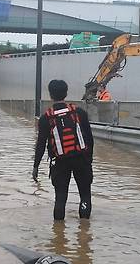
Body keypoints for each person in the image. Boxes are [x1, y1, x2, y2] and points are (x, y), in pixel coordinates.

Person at [33, 79, 94, 220]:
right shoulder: (79, 113)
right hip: (81, 159)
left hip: (60, 162)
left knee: (60, 198)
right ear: (66, 93)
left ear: (50, 95)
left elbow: (41, 144)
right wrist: (89, 160)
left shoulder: (45, 119)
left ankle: (59, 236)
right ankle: (84, 234)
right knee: (85, 195)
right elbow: (89, 139)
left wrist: (36, 166)